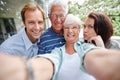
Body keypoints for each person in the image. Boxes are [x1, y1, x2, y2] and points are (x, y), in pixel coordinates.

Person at [1, 14, 120, 80]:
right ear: (62, 32)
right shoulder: (57, 52)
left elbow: (96, 58)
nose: (70, 31)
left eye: (74, 27)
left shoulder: (85, 48)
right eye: (67, 28)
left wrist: (104, 53)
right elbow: (47, 64)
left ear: (79, 30)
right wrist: (25, 69)